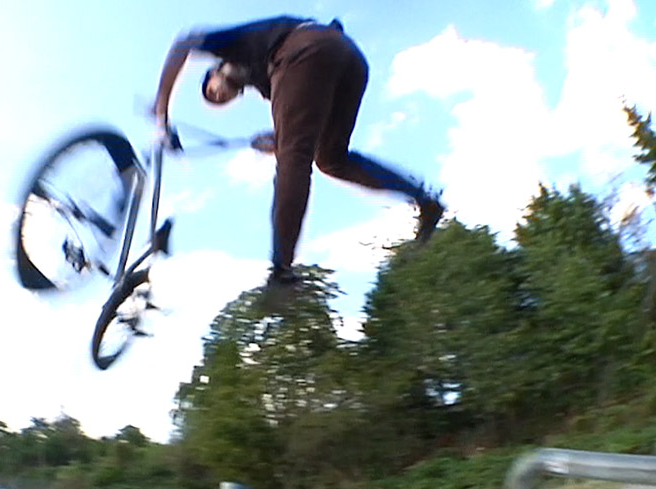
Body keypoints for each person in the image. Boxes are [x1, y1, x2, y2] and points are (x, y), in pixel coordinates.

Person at [151, 15, 445, 288]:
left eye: (212, 91)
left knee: (294, 155)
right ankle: (423, 198)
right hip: (348, 60)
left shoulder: (231, 48)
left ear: (215, 71)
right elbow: (303, 119)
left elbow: (184, 42)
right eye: (220, 101)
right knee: (331, 160)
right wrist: (276, 141)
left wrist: (161, 111)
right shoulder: (266, 81)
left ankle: (281, 269)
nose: (218, 96)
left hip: (305, 48)